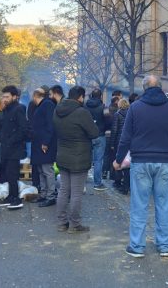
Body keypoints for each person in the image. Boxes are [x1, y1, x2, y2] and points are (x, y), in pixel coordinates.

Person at [113, 75, 168, 259]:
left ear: (144, 88)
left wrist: (118, 160)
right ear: (160, 87)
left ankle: (137, 246)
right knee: (163, 205)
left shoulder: (135, 107)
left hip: (141, 161)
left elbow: (125, 137)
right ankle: (165, 245)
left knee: (139, 205)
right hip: (165, 162)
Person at [53, 86, 99, 233]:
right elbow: (94, 133)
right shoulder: (82, 112)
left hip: (62, 154)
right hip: (79, 157)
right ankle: (74, 225)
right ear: (80, 97)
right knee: (76, 192)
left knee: (63, 190)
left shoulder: (57, 110)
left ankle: (62, 223)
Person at [0, 86, 29, 210]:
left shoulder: (19, 109)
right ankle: (10, 196)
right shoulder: (6, 109)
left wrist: (11, 141)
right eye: (3, 97)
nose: (4, 99)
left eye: (7, 97)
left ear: (15, 97)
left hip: (15, 148)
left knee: (13, 174)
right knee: (7, 173)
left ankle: (16, 199)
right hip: (5, 147)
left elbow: (23, 129)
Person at [30, 88, 58, 207]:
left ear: (35, 96)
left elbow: (50, 125)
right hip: (38, 143)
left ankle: (50, 196)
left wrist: (46, 142)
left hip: (44, 144)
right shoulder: (42, 105)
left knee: (47, 170)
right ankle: (44, 194)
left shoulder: (47, 105)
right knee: (41, 170)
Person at [85, 89, 108, 191]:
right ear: (100, 96)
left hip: (87, 136)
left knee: (86, 159)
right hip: (100, 135)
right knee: (98, 160)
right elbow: (109, 120)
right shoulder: (104, 107)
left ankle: (81, 183)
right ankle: (97, 183)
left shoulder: (85, 106)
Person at [109, 98, 130, 194]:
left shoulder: (117, 114)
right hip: (128, 141)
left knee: (118, 161)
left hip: (119, 141)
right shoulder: (130, 114)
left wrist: (112, 144)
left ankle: (117, 182)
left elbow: (114, 130)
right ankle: (126, 185)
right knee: (127, 163)